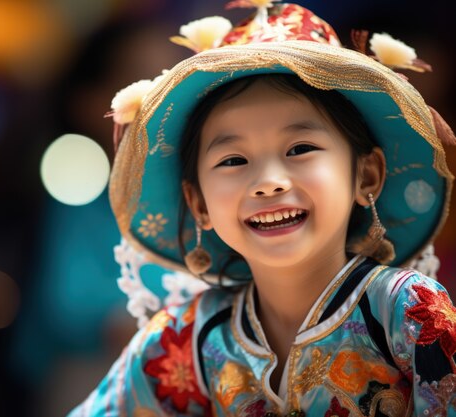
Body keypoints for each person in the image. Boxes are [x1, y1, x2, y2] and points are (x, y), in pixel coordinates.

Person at [69, 2, 456, 416]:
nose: (269, 181)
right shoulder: (186, 337)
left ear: (366, 176)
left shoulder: (407, 312)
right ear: (197, 202)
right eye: (233, 160)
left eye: (300, 149)